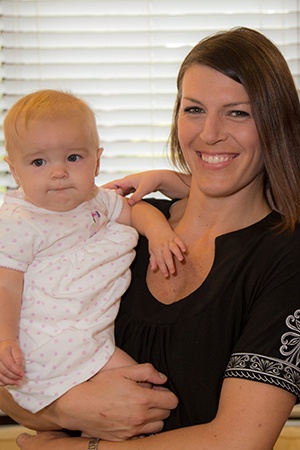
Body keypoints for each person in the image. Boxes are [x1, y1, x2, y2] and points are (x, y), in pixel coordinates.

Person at [1, 25, 300, 450]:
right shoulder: (115, 229)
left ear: (275, 121)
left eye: (238, 112)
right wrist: (66, 411)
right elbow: (17, 361)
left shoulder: (283, 259)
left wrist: (79, 447)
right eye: (194, 109)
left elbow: (238, 440)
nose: (209, 133)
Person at [0, 89, 186, 415]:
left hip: (92, 340)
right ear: (15, 170)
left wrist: (158, 232)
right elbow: (6, 286)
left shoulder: (96, 201)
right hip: (43, 343)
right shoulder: (18, 221)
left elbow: (134, 211)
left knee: (147, 392)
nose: (58, 172)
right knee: (123, 402)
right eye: (39, 162)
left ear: (97, 161)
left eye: (73, 158)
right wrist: (4, 339)